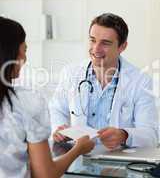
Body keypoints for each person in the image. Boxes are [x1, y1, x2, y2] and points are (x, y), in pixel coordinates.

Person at [0, 17, 95, 178]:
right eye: (24, 49)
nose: (25, 58)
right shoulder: (26, 100)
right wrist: (78, 149)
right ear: (11, 52)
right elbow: (45, 175)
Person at [49, 13, 159, 149]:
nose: (96, 49)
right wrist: (58, 129)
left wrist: (125, 135)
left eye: (105, 43)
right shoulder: (70, 73)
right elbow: (57, 110)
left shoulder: (140, 81)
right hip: (78, 156)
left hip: (117, 161)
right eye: (93, 40)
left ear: (122, 47)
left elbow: (151, 135)